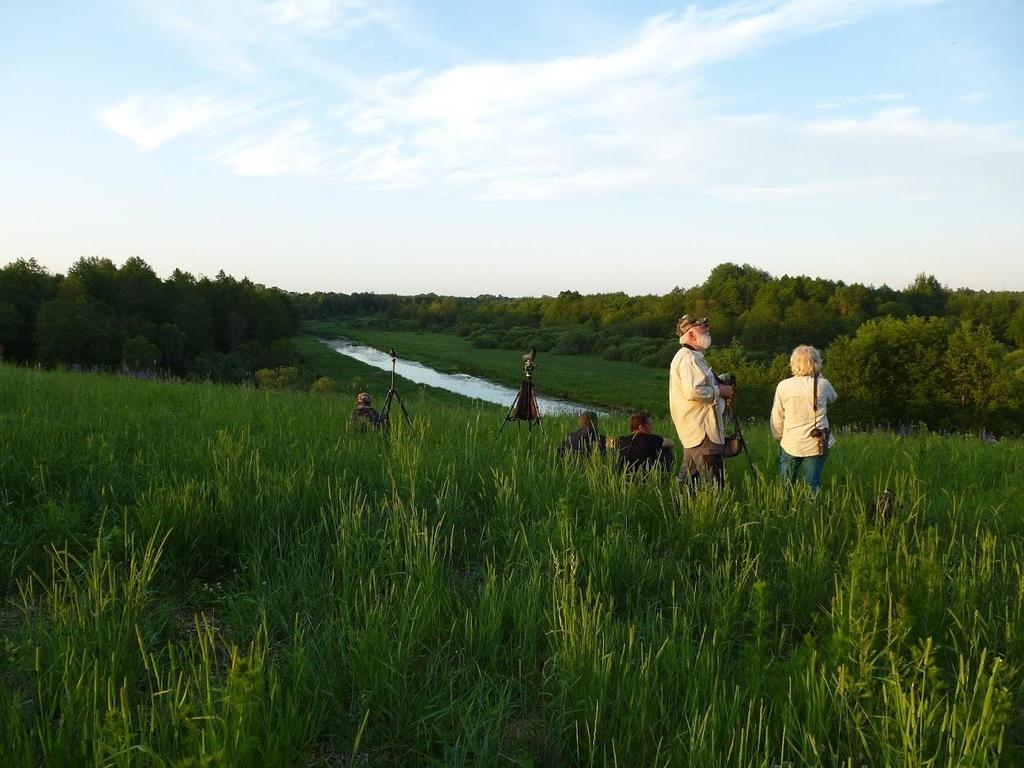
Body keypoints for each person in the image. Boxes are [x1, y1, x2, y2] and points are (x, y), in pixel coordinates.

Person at [668, 314, 733, 492]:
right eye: (702, 327)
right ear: (690, 334)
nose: (707, 329)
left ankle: (679, 515)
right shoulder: (687, 358)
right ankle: (714, 516)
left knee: (688, 481)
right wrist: (721, 391)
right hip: (702, 432)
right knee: (715, 484)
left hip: (697, 431)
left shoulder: (693, 356)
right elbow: (693, 391)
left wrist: (717, 384)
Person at [770, 345, 838, 492]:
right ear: (816, 363)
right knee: (811, 484)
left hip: (790, 442)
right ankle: (811, 512)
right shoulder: (822, 384)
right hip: (816, 443)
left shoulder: (783, 386)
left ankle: (784, 511)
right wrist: (818, 375)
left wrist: (779, 436)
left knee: (786, 485)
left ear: (793, 363)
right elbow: (834, 397)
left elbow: (777, 416)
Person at [613, 411, 674, 476]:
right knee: (666, 451)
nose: (651, 428)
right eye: (649, 425)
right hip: (643, 476)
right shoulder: (651, 439)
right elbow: (671, 443)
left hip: (623, 476)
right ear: (641, 427)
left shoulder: (621, 440)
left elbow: (610, 442)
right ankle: (663, 476)